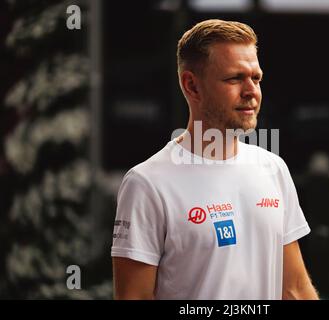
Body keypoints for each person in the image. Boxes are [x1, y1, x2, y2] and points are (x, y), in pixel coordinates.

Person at [111, 19, 318, 300]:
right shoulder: (147, 183)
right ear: (192, 86)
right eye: (234, 78)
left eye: (256, 78)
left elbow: (294, 290)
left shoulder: (273, 169)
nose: (251, 91)